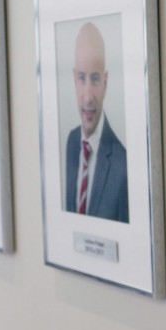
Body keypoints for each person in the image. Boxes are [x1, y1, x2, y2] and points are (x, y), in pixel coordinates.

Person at [64, 22, 128, 223]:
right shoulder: (72, 142)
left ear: (105, 83)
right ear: (74, 80)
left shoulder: (122, 164)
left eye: (95, 79)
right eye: (82, 78)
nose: (88, 96)